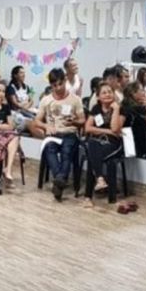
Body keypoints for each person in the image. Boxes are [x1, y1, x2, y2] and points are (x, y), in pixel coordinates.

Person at [29, 68, 85, 201]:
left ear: (65, 81)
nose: (58, 88)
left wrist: (74, 122)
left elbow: (82, 120)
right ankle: (60, 180)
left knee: (67, 151)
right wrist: (46, 126)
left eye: (60, 84)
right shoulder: (46, 100)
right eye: (54, 85)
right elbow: (36, 121)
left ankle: (58, 181)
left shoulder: (75, 99)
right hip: (53, 134)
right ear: (51, 85)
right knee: (49, 149)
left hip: (69, 133)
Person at [83, 83, 123, 208]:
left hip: (113, 144)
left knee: (92, 156)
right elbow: (88, 128)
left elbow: (115, 129)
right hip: (98, 142)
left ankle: (88, 196)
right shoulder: (96, 108)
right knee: (92, 144)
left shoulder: (120, 108)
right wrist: (106, 131)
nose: (107, 94)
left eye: (110, 92)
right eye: (104, 93)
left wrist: (116, 109)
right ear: (98, 97)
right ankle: (100, 179)